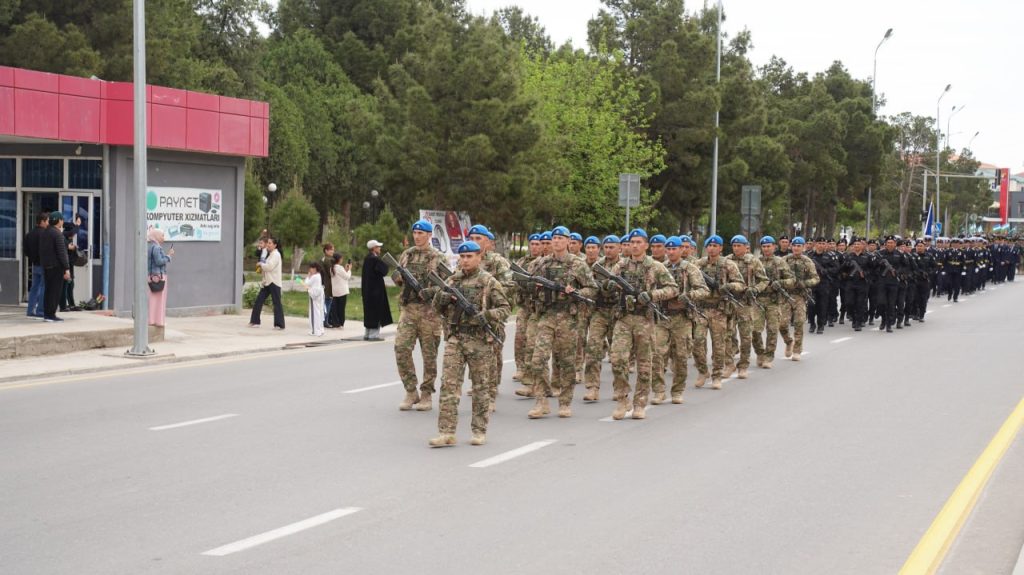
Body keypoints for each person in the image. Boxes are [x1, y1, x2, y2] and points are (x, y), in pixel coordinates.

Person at [429, 241, 511, 447]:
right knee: (448, 385)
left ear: (478, 257)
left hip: (479, 341)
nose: (465, 260)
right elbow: (436, 307)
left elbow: (505, 309)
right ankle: (446, 432)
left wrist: (487, 315)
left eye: (469, 256)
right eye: (462, 257)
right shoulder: (452, 280)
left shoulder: (488, 281)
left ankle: (479, 430)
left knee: (481, 387)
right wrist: (442, 297)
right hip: (456, 338)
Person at [524, 226, 597, 419]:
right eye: (554, 238)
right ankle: (541, 401)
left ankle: (565, 403)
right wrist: (534, 286)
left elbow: (592, 289)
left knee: (566, 363)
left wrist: (576, 292)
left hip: (568, 319)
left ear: (567, 241)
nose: (556, 241)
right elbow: (526, 284)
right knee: (537, 360)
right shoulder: (541, 263)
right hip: (546, 316)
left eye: (560, 238)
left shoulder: (577, 264)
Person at [605, 229, 678, 419]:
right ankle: (622, 400)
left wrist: (653, 295)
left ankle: (640, 403)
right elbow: (607, 287)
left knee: (645, 364)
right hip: (623, 318)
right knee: (617, 359)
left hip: (645, 320)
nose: (635, 245)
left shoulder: (655, 266)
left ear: (646, 245)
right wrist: (609, 286)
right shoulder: (621, 265)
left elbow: (673, 289)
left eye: (639, 242)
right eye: (632, 242)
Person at [393, 220, 445, 411]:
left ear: (429, 235)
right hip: (408, 310)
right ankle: (410, 390)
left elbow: (448, 285)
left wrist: (430, 292)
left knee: (429, 355)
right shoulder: (407, 255)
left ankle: (426, 394)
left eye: (421, 233)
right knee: (401, 348)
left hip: (429, 312)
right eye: (415, 232)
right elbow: (396, 277)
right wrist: (399, 278)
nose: (417, 236)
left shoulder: (438, 257)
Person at [652, 236, 709, 404]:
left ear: (681, 250)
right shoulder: (660, 268)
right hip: (662, 317)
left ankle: (677, 391)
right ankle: (659, 391)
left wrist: (689, 295)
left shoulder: (689, 268)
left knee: (681, 357)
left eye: (674, 249)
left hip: (682, 318)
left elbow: (704, 290)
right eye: (668, 249)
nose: (671, 252)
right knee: (657, 354)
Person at [694, 235, 744, 389]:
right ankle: (703, 371)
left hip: (719, 310)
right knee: (697, 341)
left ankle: (717, 376)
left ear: (721, 248)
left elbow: (740, 284)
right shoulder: (698, 265)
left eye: (715, 246)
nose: (712, 248)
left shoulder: (728, 265)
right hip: (701, 309)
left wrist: (728, 286)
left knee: (718, 345)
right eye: (709, 246)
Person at [583, 235, 621, 402]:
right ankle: (592, 387)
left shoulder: (624, 266)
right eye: (606, 247)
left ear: (619, 248)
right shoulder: (597, 267)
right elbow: (589, 286)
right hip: (599, 311)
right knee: (592, 349)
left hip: (618, 312)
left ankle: (619, 387)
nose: (609, 250)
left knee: (618, 353)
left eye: (612, 247)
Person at [725, 234, 768, 379]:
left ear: (746, 247)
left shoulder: (753, 261)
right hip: (729, 302)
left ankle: (743, 366)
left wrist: (755, 289)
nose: (736, 248)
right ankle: (729, 363)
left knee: (746, 336)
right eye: (734, 246)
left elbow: (764, 280)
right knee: (727, 335)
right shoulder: (727, 260)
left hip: (745, 303)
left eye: (739, 246)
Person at [753, 236, 795, 368]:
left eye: (768, 246)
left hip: (774, 301)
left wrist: (781, 283)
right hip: (758, 301)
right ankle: (760, 352)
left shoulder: (780, 262)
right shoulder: (756, 262)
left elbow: (792, 280)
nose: (766, 249)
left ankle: (768, 357)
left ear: (774, 247)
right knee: (755, 330)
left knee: (772, 330)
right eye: (764, 246)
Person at [782, 237, 820, 359]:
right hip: (786, 295)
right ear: (791, 247)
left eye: (799, 246)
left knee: (799, 323)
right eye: (794, 245)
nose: (796, 248)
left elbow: (816, 278)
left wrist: (805, 283)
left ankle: (797, 350)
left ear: (803, 247)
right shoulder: (784, 260)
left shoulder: (807, 261)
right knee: (782, 324)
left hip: (800, 296)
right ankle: (789, 342)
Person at [39, 211, 70, 322]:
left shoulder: (45, 232)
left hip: (46, 266)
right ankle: (51, 314)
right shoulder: (57, 234)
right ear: (59, 221)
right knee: (55, 291)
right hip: (56, 267)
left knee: (48, 291)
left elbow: (41, 250)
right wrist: (66, 268)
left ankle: (47, 314)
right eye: (62, 219)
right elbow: (62, 253)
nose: (63, 221)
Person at [248, 236, 285, 329]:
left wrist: (261, 264)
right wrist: (261, 266)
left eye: (270, 243)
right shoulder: (270, 254)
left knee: (277, 303)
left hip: (274, 282)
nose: (268, 245)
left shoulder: (276, 254)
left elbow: (269, 267)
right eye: (267, 243)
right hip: (267, 282)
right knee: (259, 301)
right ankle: (255, 322)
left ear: (275, 245)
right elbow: (266, 266)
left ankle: (279, 324)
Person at [361, 239, 393, 341]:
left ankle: (367, 333)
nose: (380, 249)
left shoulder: (367, 259)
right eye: (378, 247)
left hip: (367, 290)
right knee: (376, 312)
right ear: (374, 248)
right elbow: (384, 271)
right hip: (376, 291)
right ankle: (373, 335)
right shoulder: (375, 259)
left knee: (369, 312)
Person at [147, 228, 174, 327]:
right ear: (157, 236)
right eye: (162, 235)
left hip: (151, 275)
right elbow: (159, 261)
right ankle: (159, 321)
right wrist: (169, 256)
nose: (164, 238)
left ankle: (152, 320)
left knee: (153, 299)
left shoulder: (151, 247)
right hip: (159, 276)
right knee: (160, 299)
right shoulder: (157, 248)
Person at [24, 212, 48, 318]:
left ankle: (30, 310)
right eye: (47, 221)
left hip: (35, 264)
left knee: (34, 288)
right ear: (42, 221)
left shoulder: (29, 234)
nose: (48, 223)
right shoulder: (45, 234)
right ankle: (40, 311)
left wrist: (33, 258)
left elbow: (26, 251)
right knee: (43, 287)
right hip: (44, 264)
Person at [328, 253, 351, 328]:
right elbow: (347, 277)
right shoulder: (339, 268)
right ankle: (341, 323)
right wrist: (349, 270)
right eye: (341, 258)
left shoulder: (332, 268)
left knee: (335, 308)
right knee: (341, 308)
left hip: (335, 291)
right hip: (342, 291)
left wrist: (345, 270)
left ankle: (335, 322)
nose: (342, 260)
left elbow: (340, 275)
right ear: (339, 259)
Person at [304, 262, 325, 336]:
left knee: (314, 313)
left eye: (311, 268)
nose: (310, 270)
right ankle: (320, 329)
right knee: (319, 312)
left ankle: (314, 331)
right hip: (319, 295)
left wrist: (308, 277)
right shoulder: (318, 275)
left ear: (315, 268)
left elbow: (306, 284)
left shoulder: (314, 277)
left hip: (314, 296)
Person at [320, 243, 335, 328]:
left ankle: (322, 320)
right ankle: (325, 321)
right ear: (326, 251)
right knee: (327, 303)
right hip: (328, 285)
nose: (333, 251)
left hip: (322, 283)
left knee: (323, 303)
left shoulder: (322, 259)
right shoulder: (329, 260)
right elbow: (331, 273)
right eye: (331, 249)